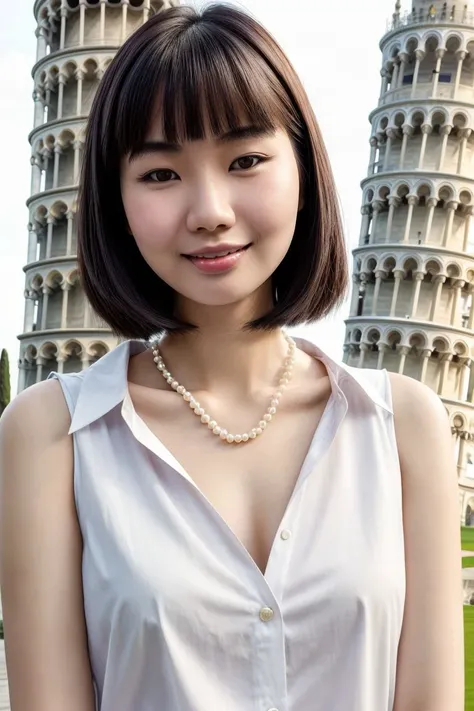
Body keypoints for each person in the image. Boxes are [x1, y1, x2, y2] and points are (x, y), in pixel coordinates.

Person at [0, 4, 464, 711]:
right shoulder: (51, 436)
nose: (209, 209)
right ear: (114, 199)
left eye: (245, 159)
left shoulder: (401, 426)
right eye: (160, 174)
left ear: (303, 166)